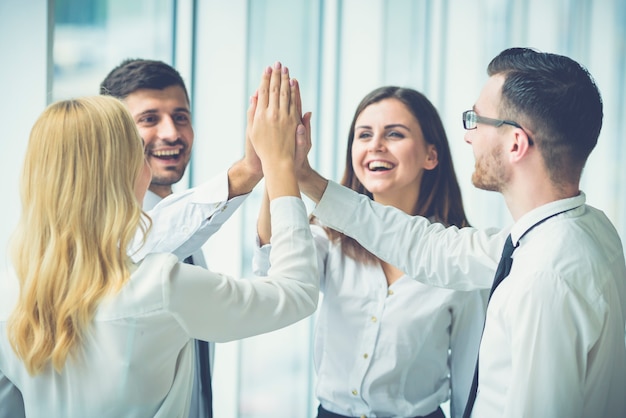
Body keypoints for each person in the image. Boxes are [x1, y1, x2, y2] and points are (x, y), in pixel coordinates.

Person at [294, 48, 626, 417]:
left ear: (515, 143)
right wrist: (304, 178)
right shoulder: (580, 230)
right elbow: (429, 248)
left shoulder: (545, 277)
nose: (468, 137)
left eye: (477, 119)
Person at [0, 63, 318, 417]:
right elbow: (296, 294)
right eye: (138, 142)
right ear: (114, 170)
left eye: (181, 116)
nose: (150, 158)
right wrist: (279, 166)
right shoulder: (159, 283)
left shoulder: (10, 294)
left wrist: (265, 170)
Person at [253, 87, 488, 418]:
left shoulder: (460, 258)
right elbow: (272, 271)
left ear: (430, 156)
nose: (376, 145)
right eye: (364, 135)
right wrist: (277, 163)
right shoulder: (331, 239)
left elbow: (469, 379)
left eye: (394, 134)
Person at [100, 58, 264, 418]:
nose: (171, 133)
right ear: (114, 135)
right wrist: (253, 169)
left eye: (181, 116)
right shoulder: (111, 233)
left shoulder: (185, 228)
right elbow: (152, 239)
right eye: (149, 119)